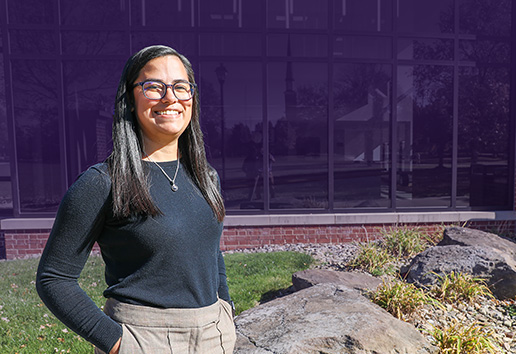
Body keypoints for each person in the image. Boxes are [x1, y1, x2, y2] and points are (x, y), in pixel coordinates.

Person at [36, 45, 236, 354]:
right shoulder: (102, 182)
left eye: (181, 87)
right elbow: (54, 278)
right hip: (142, 338)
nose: (170, 98)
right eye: (154, 87)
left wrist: (225, 308)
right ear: (130, 99)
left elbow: (211, 254)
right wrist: (119, 343)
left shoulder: (206, 177)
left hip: (213, 335)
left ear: (192, 99)